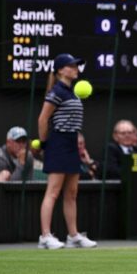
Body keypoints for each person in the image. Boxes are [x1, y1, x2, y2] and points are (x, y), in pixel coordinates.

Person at [37, 53, 97, 249]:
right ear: (61, 70)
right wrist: (45, 144)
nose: (76, 68)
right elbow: (43, 119)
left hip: (71, 142)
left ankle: (73, 236)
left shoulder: (72, 92)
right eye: (71, 66)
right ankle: (45, 236)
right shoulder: (57, 91)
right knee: (53, 191)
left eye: (76, 65)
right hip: (58, 142)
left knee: (71, 193)